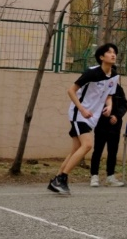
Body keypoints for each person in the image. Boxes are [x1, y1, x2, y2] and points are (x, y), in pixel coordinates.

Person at [48, 43, 120, 195]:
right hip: (79, 114)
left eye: (114, 52)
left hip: (91, 117)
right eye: (109, 52)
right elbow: (71, 90)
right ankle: (62, 178)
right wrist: (82, 109)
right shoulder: (92, 73)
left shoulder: (114, 75)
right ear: (101, 57)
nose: (113, 54)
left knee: (75, 150)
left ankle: (56, 180)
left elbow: (109, 95)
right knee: (87, 145)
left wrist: (109, 106)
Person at [90, 73, 127, 187]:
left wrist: (117, 116)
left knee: (112, 151)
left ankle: (110, 176)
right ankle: (94, 175)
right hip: (101, 124)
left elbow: (124, 104)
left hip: (114, 126)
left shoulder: (119, 89)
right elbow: (94, 104)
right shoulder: (100, 88)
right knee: (97, 150)